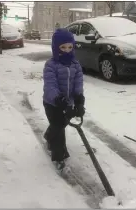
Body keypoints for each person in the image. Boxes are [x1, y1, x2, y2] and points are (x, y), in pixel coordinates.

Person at [42, 28, 85, 170]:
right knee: (59, 128)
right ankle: (59, 156)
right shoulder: (51, 65)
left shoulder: (76, 65)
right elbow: (50, 86)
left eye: (70, 47)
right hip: (52, 103)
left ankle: (49, 135)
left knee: (60, 124)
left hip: (68, 103)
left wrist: (79, 100)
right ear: (55, 47)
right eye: (63, 47)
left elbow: (78, 84)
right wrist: (59, 100)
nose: (67, 50)